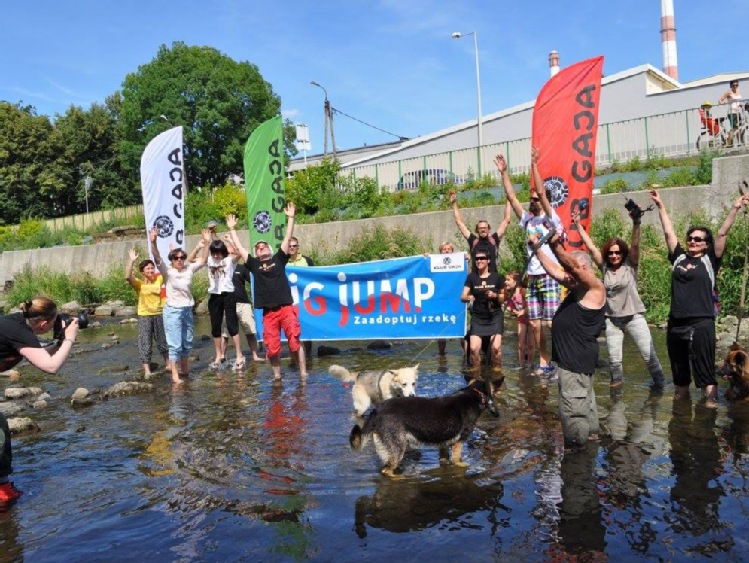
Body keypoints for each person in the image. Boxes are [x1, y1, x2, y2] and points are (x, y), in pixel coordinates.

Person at [649, 188, 749, 402]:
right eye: (690, 238)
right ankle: (680, 414)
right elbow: (668, 233)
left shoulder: (710, 259)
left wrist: (734, 208)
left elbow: (722, 233)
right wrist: (661, 206)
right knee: (680, 373)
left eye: (698, 239)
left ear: (706, 244)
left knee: (705, 372)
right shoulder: (678, 258)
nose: (692, 241)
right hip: (676, 323)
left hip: (701, 322)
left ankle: (709, 411)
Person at [572, 206, 666, 389]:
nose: (614, 256)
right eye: (611, 253)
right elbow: (591, 247)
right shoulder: (605, 268)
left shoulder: (631, 265)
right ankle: (616, 398)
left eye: (618, 253)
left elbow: (636, 245)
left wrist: (636, 223)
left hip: (634, 317)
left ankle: (661, 387)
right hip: (612, 320)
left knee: (649, 355)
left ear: (623, 254)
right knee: (615, 362)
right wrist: (578, 225)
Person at [0, 296, 81, 502]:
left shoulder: (18, 324)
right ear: (44, 322)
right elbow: (50, 367)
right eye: (54, 322)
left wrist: (59, 342)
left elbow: (37, 355)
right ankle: (3, 491)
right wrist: (70, 338)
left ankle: (3, 486)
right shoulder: (20, 332)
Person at [535, 231, 606, 448]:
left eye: (573, 269)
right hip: (575, 363)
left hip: (575, 364)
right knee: (585, 406)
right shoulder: (577, 289)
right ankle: (590, 443)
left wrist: (556, 246)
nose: (567, 274)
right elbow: (557, 272)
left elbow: (569, 267)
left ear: (583, 269)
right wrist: (537, 250)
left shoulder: (594, 288)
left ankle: (577, 465)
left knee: (574, 412)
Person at [498, 147, 563, 377]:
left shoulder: (551, 218)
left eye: (537, 199)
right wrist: (504, 173)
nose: (534, 202)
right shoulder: (527, 220)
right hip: (533, 278)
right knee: (534, 325)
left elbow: (543, 193)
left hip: (550, 275)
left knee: (551, 324)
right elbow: (512, 198)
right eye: (532, 199)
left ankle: (560, 362)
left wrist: (534, 164)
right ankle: (544, 362)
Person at [226, 203, 307, 381]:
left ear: (270, 249)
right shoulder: (254, 265)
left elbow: (287, 238)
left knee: (295, 343)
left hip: (286, 309)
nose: (260, 248)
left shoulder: (279, 259)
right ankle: (277, 377)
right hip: (269, 313)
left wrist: (291, 218)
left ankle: (303, 374)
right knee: (272, 347)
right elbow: (240, 248)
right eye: (258, 247)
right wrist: (232, 230)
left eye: (263, 246)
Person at [150, 227, 211, 384]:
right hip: (173, 311)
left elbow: (204, 260)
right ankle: (175, 375)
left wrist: (206, 243)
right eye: (176, 258)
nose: (179, 260)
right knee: (175, 343)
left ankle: (185, 370)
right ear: (171, 259)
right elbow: (157, 258)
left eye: (182, 257)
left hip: (187, 310)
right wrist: (154, 242)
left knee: (187, 341)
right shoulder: (168, 272)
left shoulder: (189, 269)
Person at [125, 249, 169, 377]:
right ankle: (147, 371)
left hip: (159, 314)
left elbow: (166, 270)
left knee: (162, 340)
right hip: (144, 315)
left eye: (152, 268)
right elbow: (127, 276)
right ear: (142, 272)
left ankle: (168, 364)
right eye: (147, 269)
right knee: (145, 341)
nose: (150, 271)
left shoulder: (159, 279)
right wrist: (131, 261)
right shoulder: (139, 283)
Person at [460, 251, 505, 370]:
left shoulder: (497, 277)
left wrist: (495, 296)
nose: (479, 261)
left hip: (494, 316)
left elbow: (504, 297)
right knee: (474, 349)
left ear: (488, 261)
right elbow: (463, 296)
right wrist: (469, 297)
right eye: (477, 259)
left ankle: (497, 372)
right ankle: (477, 375)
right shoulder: (471, 277)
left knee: (495, 348)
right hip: (478, 317)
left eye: (482, 258)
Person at [449, 190, 512, 272]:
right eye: (480, 228)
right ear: (477, 230)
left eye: (485, 228)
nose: (483, 229)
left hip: (492, 277)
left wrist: (508, 200)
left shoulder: (494, 239)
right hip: (476, 279)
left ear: (489, 229)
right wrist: (454, 204)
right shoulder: (473, 241)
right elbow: (459, 223)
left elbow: (506, 220)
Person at [205, 238, 245, 371]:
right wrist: (204, 244)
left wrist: (230, 241)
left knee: (232, 325)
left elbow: (239, 254)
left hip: (228, 294)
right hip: (215, 295)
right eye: (214, 252)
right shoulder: (209, 260)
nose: (216, 255)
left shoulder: (229, 260)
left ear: (223, 252)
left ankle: (239, 354)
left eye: (219, 252)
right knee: (215, 327)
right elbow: (193, 259)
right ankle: (219, 354)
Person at [286, 236, 315, 360]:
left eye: (294, 246)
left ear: (298, 247)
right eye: (290, 246)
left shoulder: (307, 260)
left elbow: (316, 276)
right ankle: (293, 357)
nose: (292, 248)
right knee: (291, 328)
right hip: (290, 300)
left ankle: (308, 355)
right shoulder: (283, 261)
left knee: (306, 327)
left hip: (305, 300)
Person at [502, 270, 535, 369]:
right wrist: (507, 308)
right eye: (505, 280)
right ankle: (521, 365)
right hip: (521, 319)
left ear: (516, 281)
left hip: (531, 318)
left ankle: (529, 364)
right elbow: (511, 306)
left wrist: (523, 312)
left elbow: (531, 304)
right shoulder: (510, 293)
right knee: (521, 344)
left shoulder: (523, 291)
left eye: (508, 280)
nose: (505, 282)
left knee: (531, 344)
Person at [719, 80, 743, 145]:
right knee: (734, 128)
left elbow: (737, 101)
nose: (735, 86)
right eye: (733, 85)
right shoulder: (729, 92)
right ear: (731, 86)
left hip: (738, 112)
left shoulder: (738, 91)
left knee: (739, 128)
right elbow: (720, 100)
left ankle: (739, 142)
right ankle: (728, 143)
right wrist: (723, 103)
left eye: (736, 85)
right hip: (732, 112)